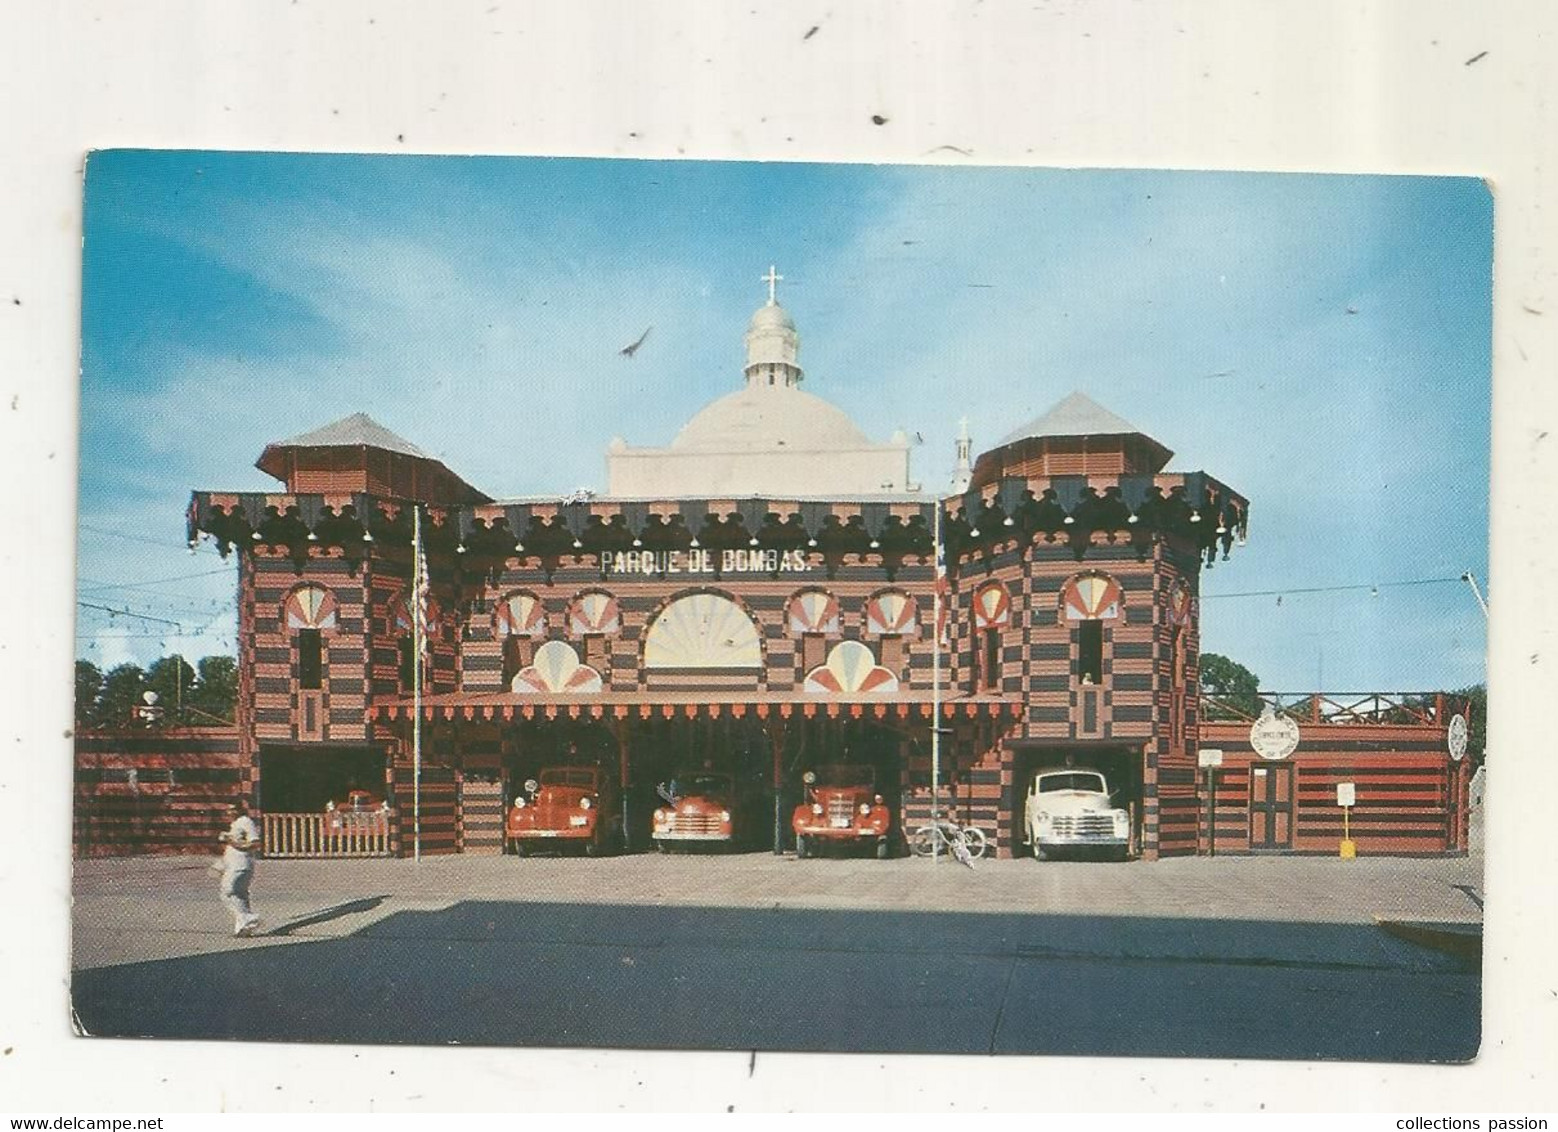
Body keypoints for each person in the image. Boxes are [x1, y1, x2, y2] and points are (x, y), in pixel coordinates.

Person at [218, 799, 263, 937]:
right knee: (240, 895)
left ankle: (247, 917)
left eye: (233, 809)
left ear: (239, 809)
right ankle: (244, 928)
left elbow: (255, 843)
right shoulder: (236, 824)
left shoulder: (245, 822)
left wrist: (230, 840)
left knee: (228, 891)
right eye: (228, 809)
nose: (229, 812)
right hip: (234, 864)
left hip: (241, 864)